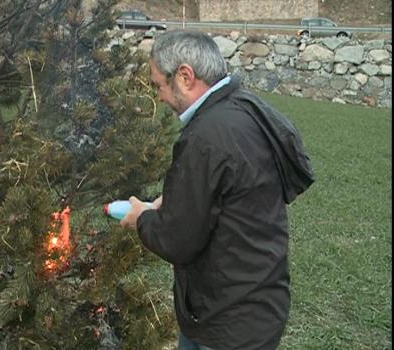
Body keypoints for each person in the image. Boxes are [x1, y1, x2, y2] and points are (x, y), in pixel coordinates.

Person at [120, 30, 315, 350]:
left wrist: (142, 218)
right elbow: (237, 188)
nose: (160, 98)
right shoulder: (246, 107)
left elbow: (177, 240)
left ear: (185, 76)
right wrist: (184, 200)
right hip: (258, 302)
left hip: (227, 321)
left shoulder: (205, 137)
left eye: (159, 86)